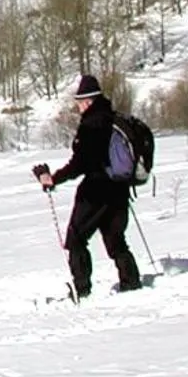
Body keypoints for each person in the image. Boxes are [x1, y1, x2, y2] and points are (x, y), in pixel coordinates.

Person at [34, 74, 143, 299]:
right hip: (120, 189)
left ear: (88, 101)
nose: (79, 107)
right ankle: (131, 282)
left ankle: (81, 290)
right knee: (115, 239)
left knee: (76, 239)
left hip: (96, 191)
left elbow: (81, 162)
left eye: (80, 102)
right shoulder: (114, 119)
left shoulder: (92, 125)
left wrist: (53, 178)